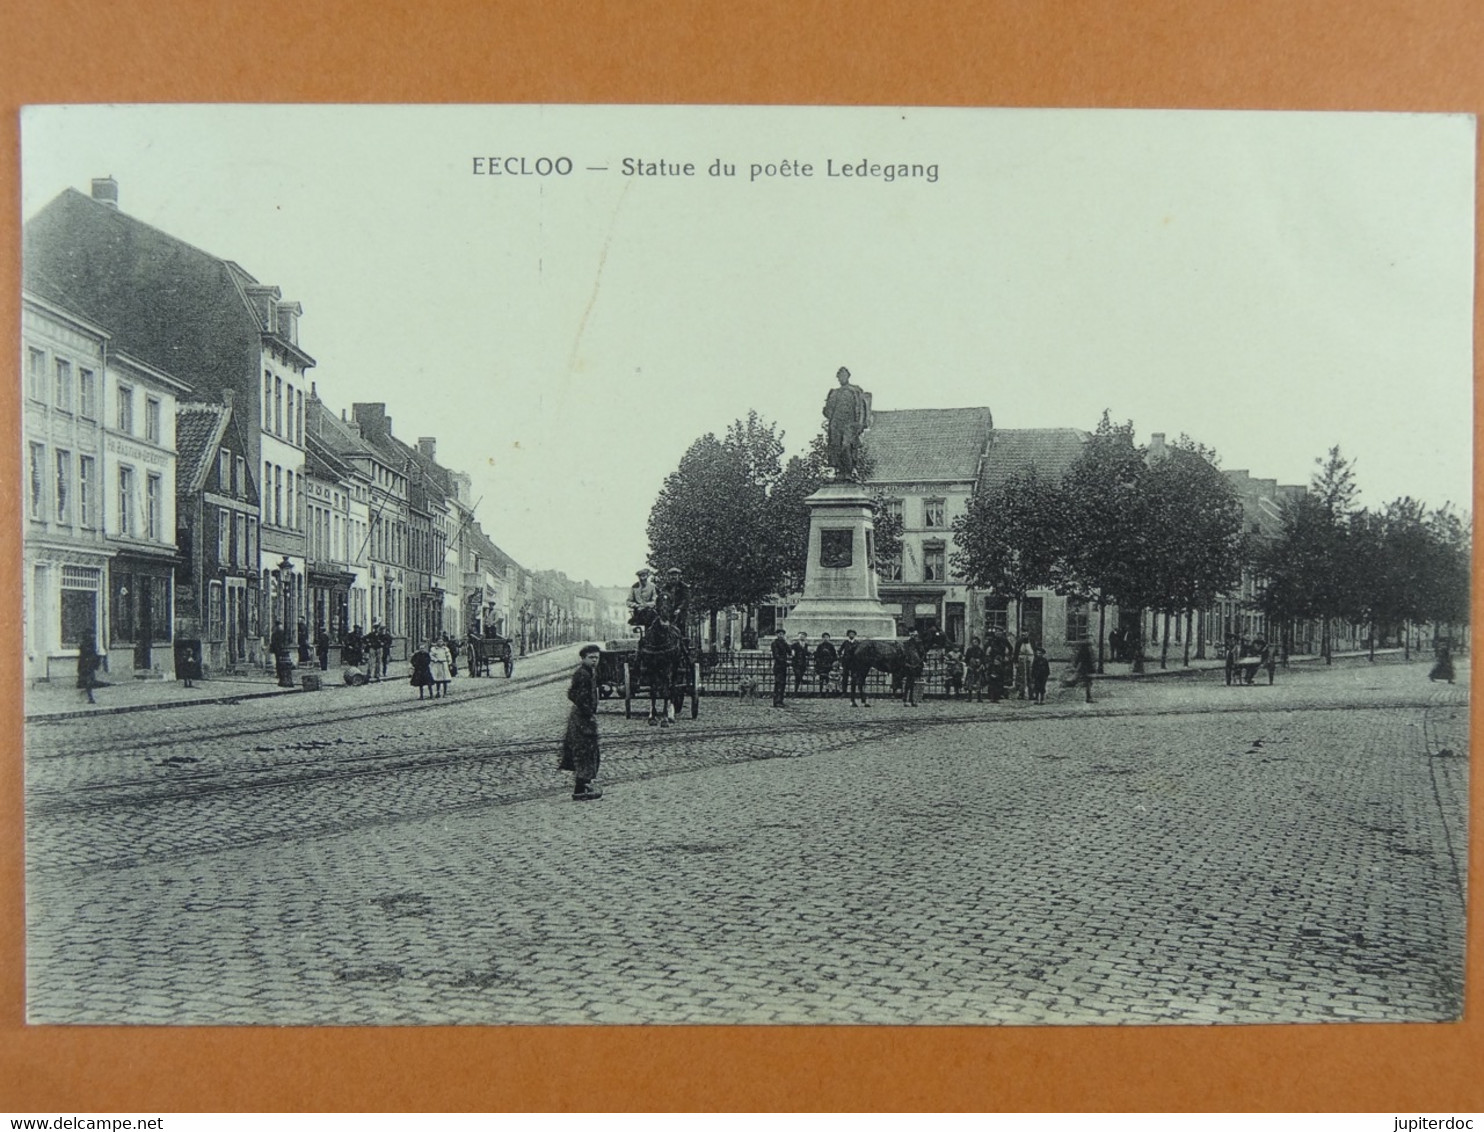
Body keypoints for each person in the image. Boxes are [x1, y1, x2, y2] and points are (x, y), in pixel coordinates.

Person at [559, 644, 603, 800]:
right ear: (583, 658)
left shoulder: (589, 672)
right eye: (591, 658)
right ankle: (581, 787)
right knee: (584, 749)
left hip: (583, 715)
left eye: (597, 657)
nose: (594, 661)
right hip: (582, 717)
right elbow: (574, 694)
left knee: (586, 749)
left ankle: (583, 784)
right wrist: (587, 712)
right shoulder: (582, 674)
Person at [822, 366, 872, 479]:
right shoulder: (834, 392)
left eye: (843, 375)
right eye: (839, 376)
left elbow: (863, 407)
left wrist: (861, 423)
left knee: (846, 446)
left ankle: (849, 471)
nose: (841, 378)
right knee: (836, 447)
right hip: (836, 424)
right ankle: (840, 472)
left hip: (850, 424)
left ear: (848, 376)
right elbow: (828, 411)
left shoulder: (854, 390)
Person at [661, 566, 690, 632]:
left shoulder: (683, 587)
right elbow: (662, 598)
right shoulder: (665, 587)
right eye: (671, 575)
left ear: (678, 576)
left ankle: (682, 639)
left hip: (680, 611)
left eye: (675, 575)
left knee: (680, 625)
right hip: (668, 610)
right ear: (669, 577)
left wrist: (679, 609)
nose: (673, 577)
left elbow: (686, 599)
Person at [77, 636, 101, 704]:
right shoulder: (91, 646)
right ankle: (89, 698)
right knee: (88, 682)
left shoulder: (85, 646)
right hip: (88, 666)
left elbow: (82, 658)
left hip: (86, 666)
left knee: (87, 682)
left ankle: (89, 698)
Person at [269, 621, 295, 687]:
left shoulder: (275, 634)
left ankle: (282, 679)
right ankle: (285, 680)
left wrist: (273, 649)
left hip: (279, 652)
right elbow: (290, 641)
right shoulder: (285, 633)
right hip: (284, 652)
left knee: (280, 665)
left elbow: (274, 643)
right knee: (284, 665)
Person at [1070, 638, 1096, 703]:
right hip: (1085, 669)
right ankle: (1088, 697)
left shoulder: (1084, 649)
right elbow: (1081, 661)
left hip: (1085, 668)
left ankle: (1088, 697)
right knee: (1087, 683)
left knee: (1087, 683)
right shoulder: (1085, 650)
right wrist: (1077, 669)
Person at [770, 629, 790, 707]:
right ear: (777, 635)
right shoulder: (774, 643)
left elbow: (789, 651)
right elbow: (776, 655)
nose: (781, 635)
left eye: (782, 634)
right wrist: (784, 662)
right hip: (778, 666)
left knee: (783, 684)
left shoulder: (784, 643)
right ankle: (776, 701)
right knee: (778, 683)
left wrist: (786, 642)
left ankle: (780, 700)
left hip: (783, 666)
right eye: (779, 634)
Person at [964, 635, 986, 703]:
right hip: (971, 667)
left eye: (976, 642)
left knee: (978, 683)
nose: (974, 643)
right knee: (970, 682)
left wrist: (981, 666)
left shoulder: (981, 650)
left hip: (978, 668)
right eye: (973, 642)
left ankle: (979, 697)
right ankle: (969, 697)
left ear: (978, 643)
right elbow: (966, 659)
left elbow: (983, 659)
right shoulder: (969, 650)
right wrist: (969, 666)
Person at [837, 629, 859, 695]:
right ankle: (844, 691)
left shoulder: (857, 643)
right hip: (846, 662)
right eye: (850, 634)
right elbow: (839, 650)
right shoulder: (845, 642)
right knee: (845, 677)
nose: (851, 635)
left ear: (855, 635)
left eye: (853, 634)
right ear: (848, 635)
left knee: (854, 677)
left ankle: (853, 692)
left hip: (854, 662)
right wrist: (841, 657)